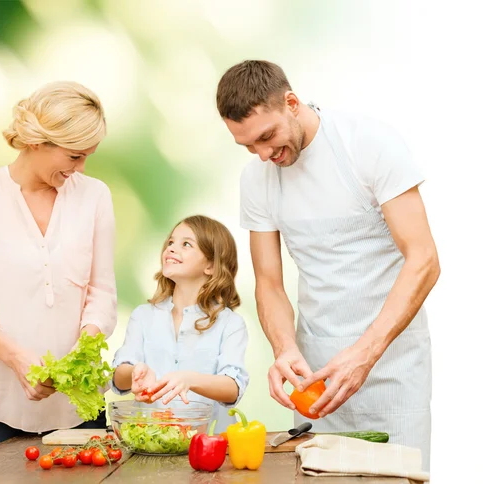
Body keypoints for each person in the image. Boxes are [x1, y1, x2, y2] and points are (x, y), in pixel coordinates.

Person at [216, 60, 439, 467]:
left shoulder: (369, 144)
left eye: (267, 136)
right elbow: (268, 283)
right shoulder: (257, 178)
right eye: (248, 146)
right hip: (314, 377)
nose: (263, 155)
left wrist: (364, 356)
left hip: (393, 368)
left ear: (292, 102)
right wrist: (283, 349)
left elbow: (424, 259)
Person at [0, 81, 117, 449]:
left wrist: (84, 349)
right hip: (0, 405)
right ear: (38, 142)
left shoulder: (95, 196)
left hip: (79, 405)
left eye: (88, 155)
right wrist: (18, 359)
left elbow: (102, 293)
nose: (81, 167)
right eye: (74, 156)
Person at [111, 215, 249, 434]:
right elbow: (119, 377)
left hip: (209, 444)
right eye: (170, 242)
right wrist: (135, 372)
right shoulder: (143, 316)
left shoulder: (230, 324)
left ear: (211, 266)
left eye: (186, 244)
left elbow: (232, 387)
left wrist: (190, 379)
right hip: (151, 440)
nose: (171, 249)